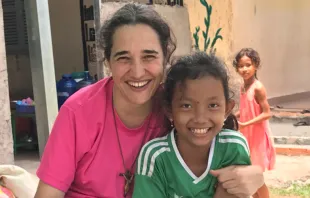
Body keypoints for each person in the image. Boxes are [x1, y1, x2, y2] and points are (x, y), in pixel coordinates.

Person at [34, 4, 265, 198]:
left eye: (149, 56)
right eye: (123, 58)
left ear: (165, 58)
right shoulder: (79, 112)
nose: (137, 72)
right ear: (107, 63)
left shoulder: (179, 105)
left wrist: (254, 176)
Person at [133, 52, 251, 198]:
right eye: (186, 106)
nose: (200, 118)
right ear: (169, 110)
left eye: (213, 105)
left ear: (227, 109)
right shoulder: (156, 157)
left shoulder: (233, 147)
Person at [234, 48, 276, 198]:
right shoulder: (243, 87)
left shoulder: (258, 88)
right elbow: (247, 108)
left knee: (256, 177)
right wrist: (234, 115)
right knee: (249, 176)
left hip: (257, 137)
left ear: (256, 65)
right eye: (240, 66)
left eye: (248, 65)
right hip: (247, 136)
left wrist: (245, 124)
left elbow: (266, 113)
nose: (244, 69)